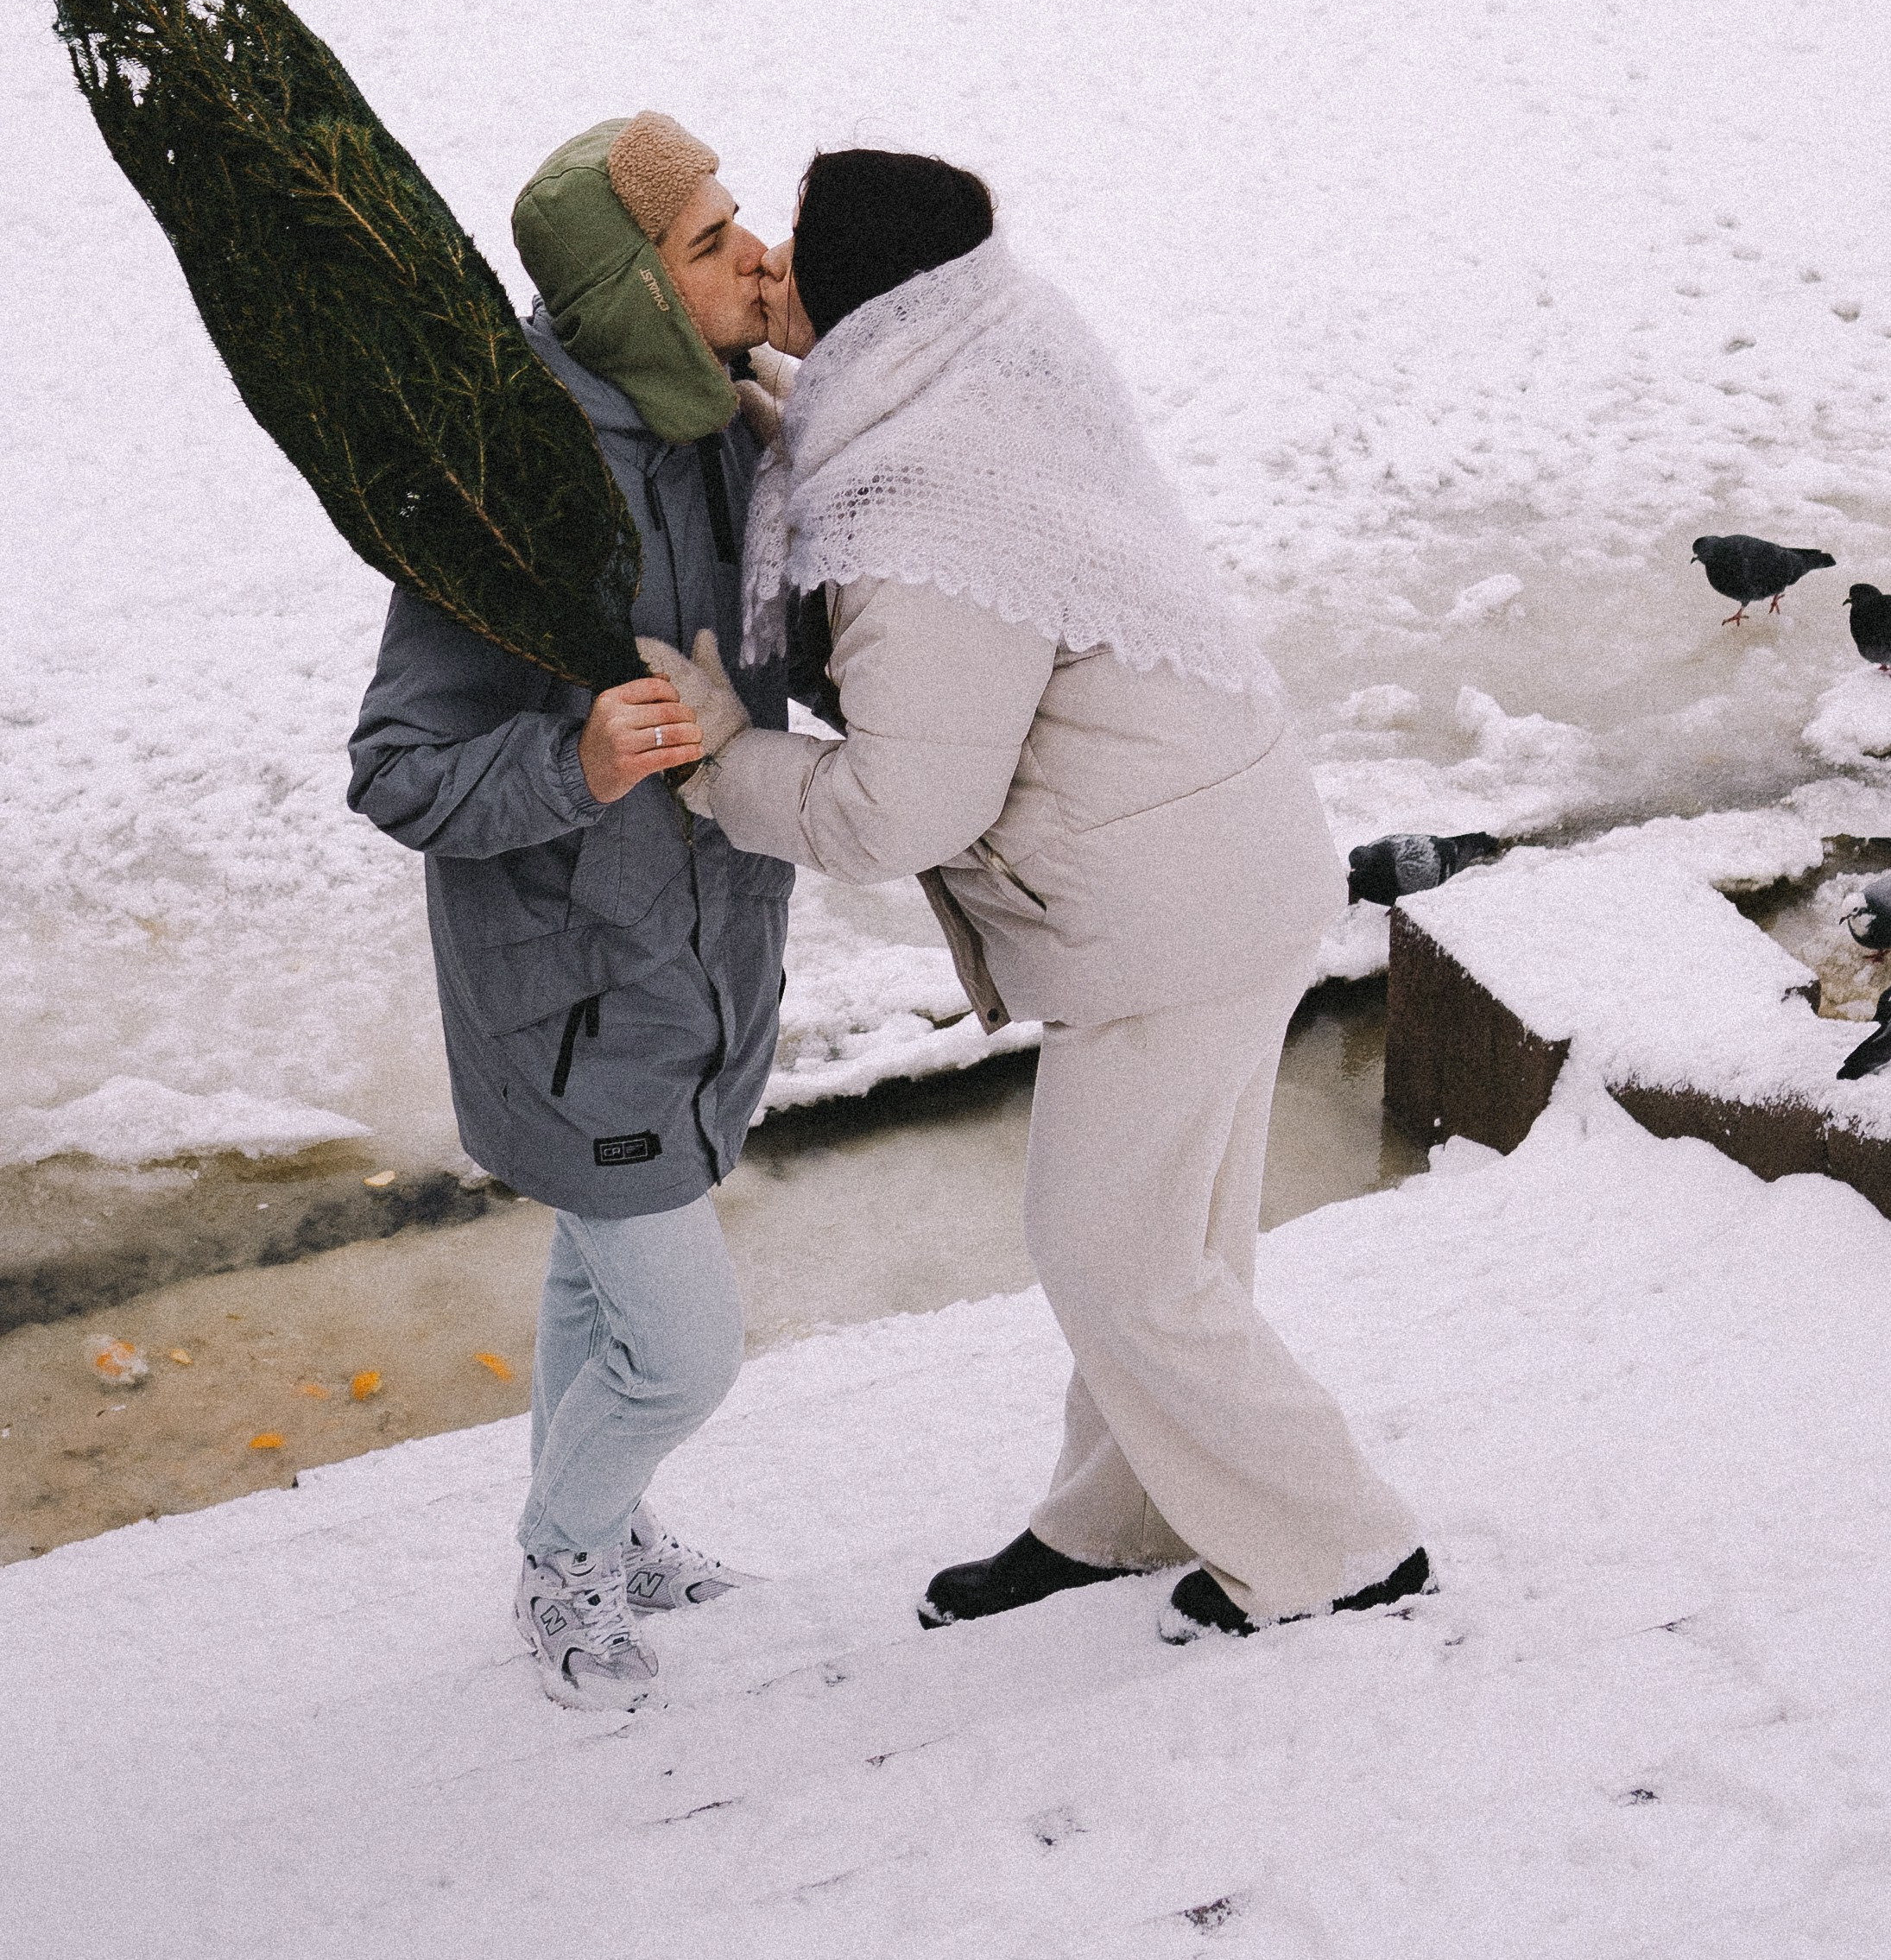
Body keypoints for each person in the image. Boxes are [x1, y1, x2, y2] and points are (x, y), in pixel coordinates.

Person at [648, 148, 1427, 1643]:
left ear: (874, 306)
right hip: (1213, 845)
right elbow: (842, 447)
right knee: (1167, 1247)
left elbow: (894, 809)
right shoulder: (986, 346)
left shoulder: (930, 518)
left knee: (1111, 1253)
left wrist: (725, 756)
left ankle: (1342, 1548)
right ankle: (1126, 1514)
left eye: (795, 254)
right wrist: (753, 390)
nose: (767, 266)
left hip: (1169, 909)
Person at [348, 111, 794, 1712]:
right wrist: (575, 756)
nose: (754, 252)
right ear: (623, 296)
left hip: (702, 958)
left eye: (740, 219)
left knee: (591, 1281)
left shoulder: (724, 423)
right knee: (681, 1351)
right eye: (706, 242)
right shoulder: (506, 485)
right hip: (575, 996)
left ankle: (606, 1524)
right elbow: (396, 765)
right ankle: (567, 1551)